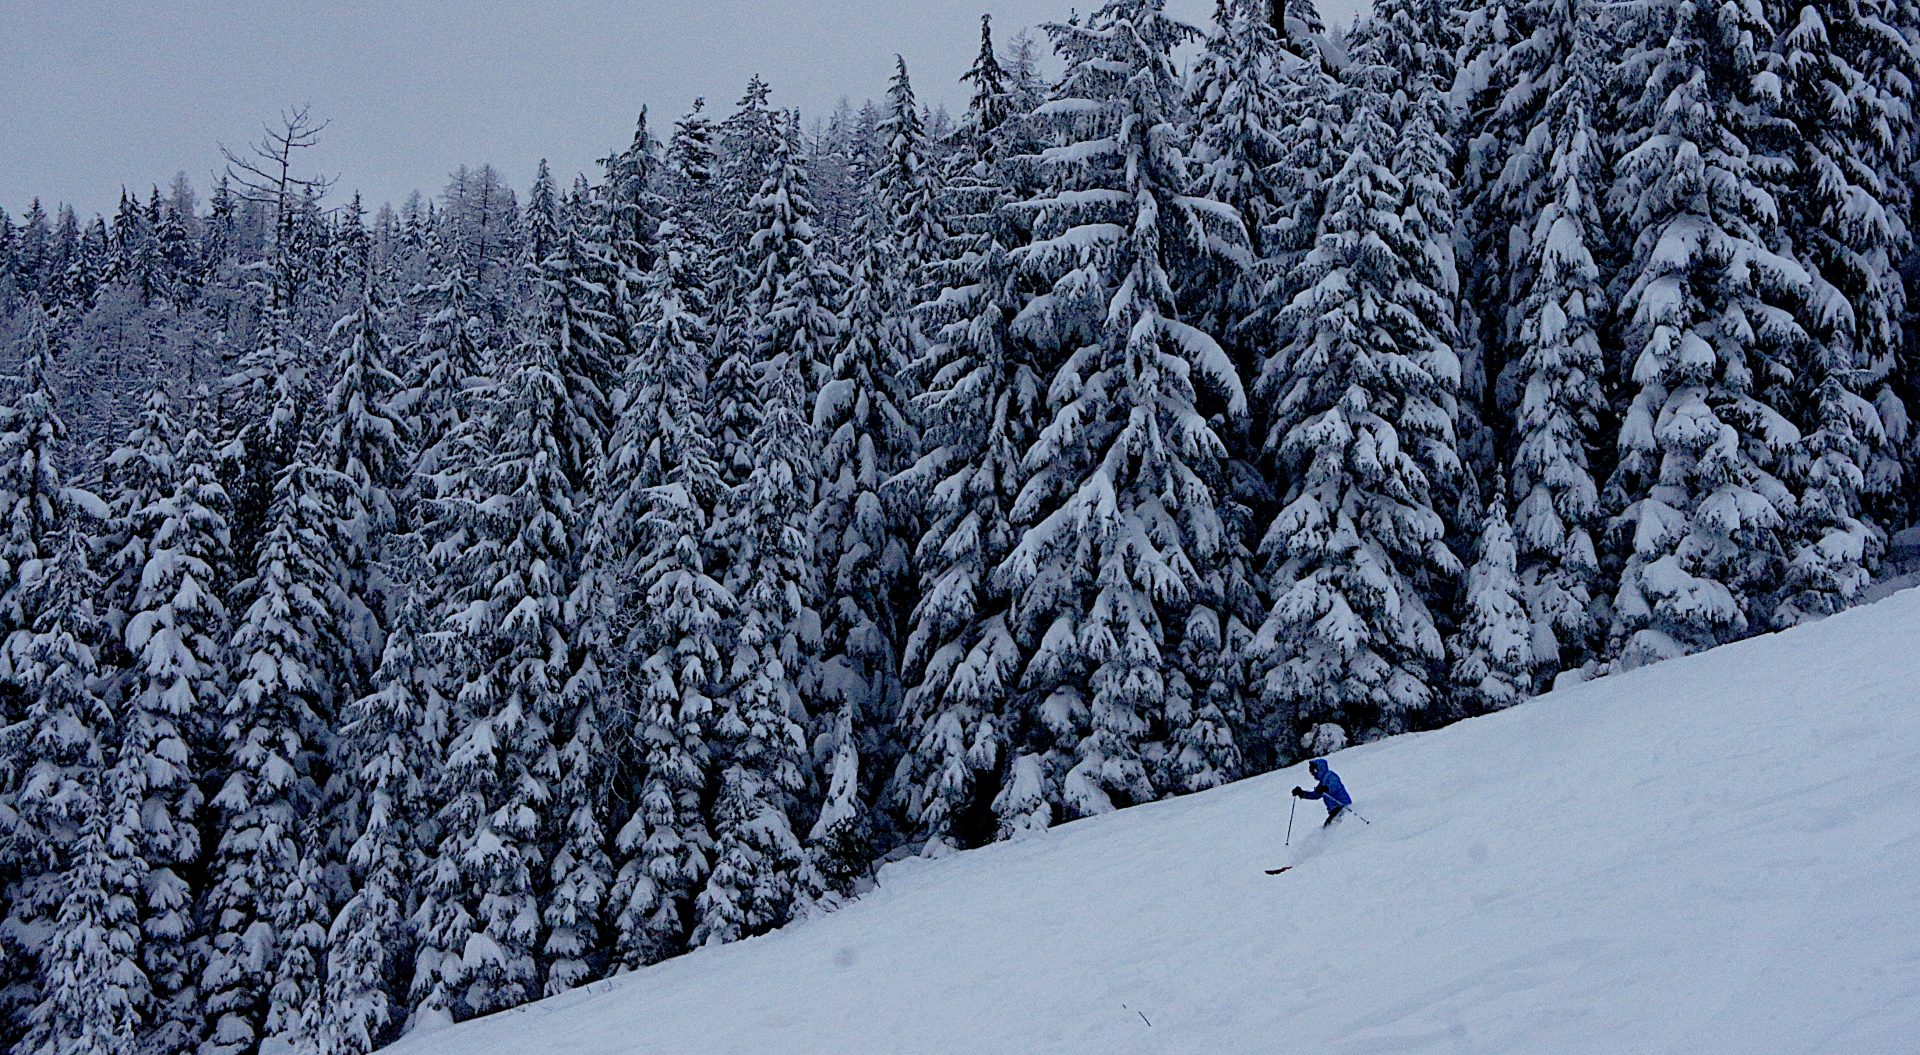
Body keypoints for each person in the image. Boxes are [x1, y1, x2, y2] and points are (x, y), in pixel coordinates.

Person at [1292, 759, 1352, 826]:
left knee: (1331, 827)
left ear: (1320, 769)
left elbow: (1335, 786)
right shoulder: (1323, 782)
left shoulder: (1331, 776)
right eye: (1312, 772)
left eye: (1314, 771)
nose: (1313, 774)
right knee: (1328, 827)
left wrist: (1326, 788)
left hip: (1343, 806)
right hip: (1334, 810)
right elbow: (1316, 795)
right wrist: (1302, 793)